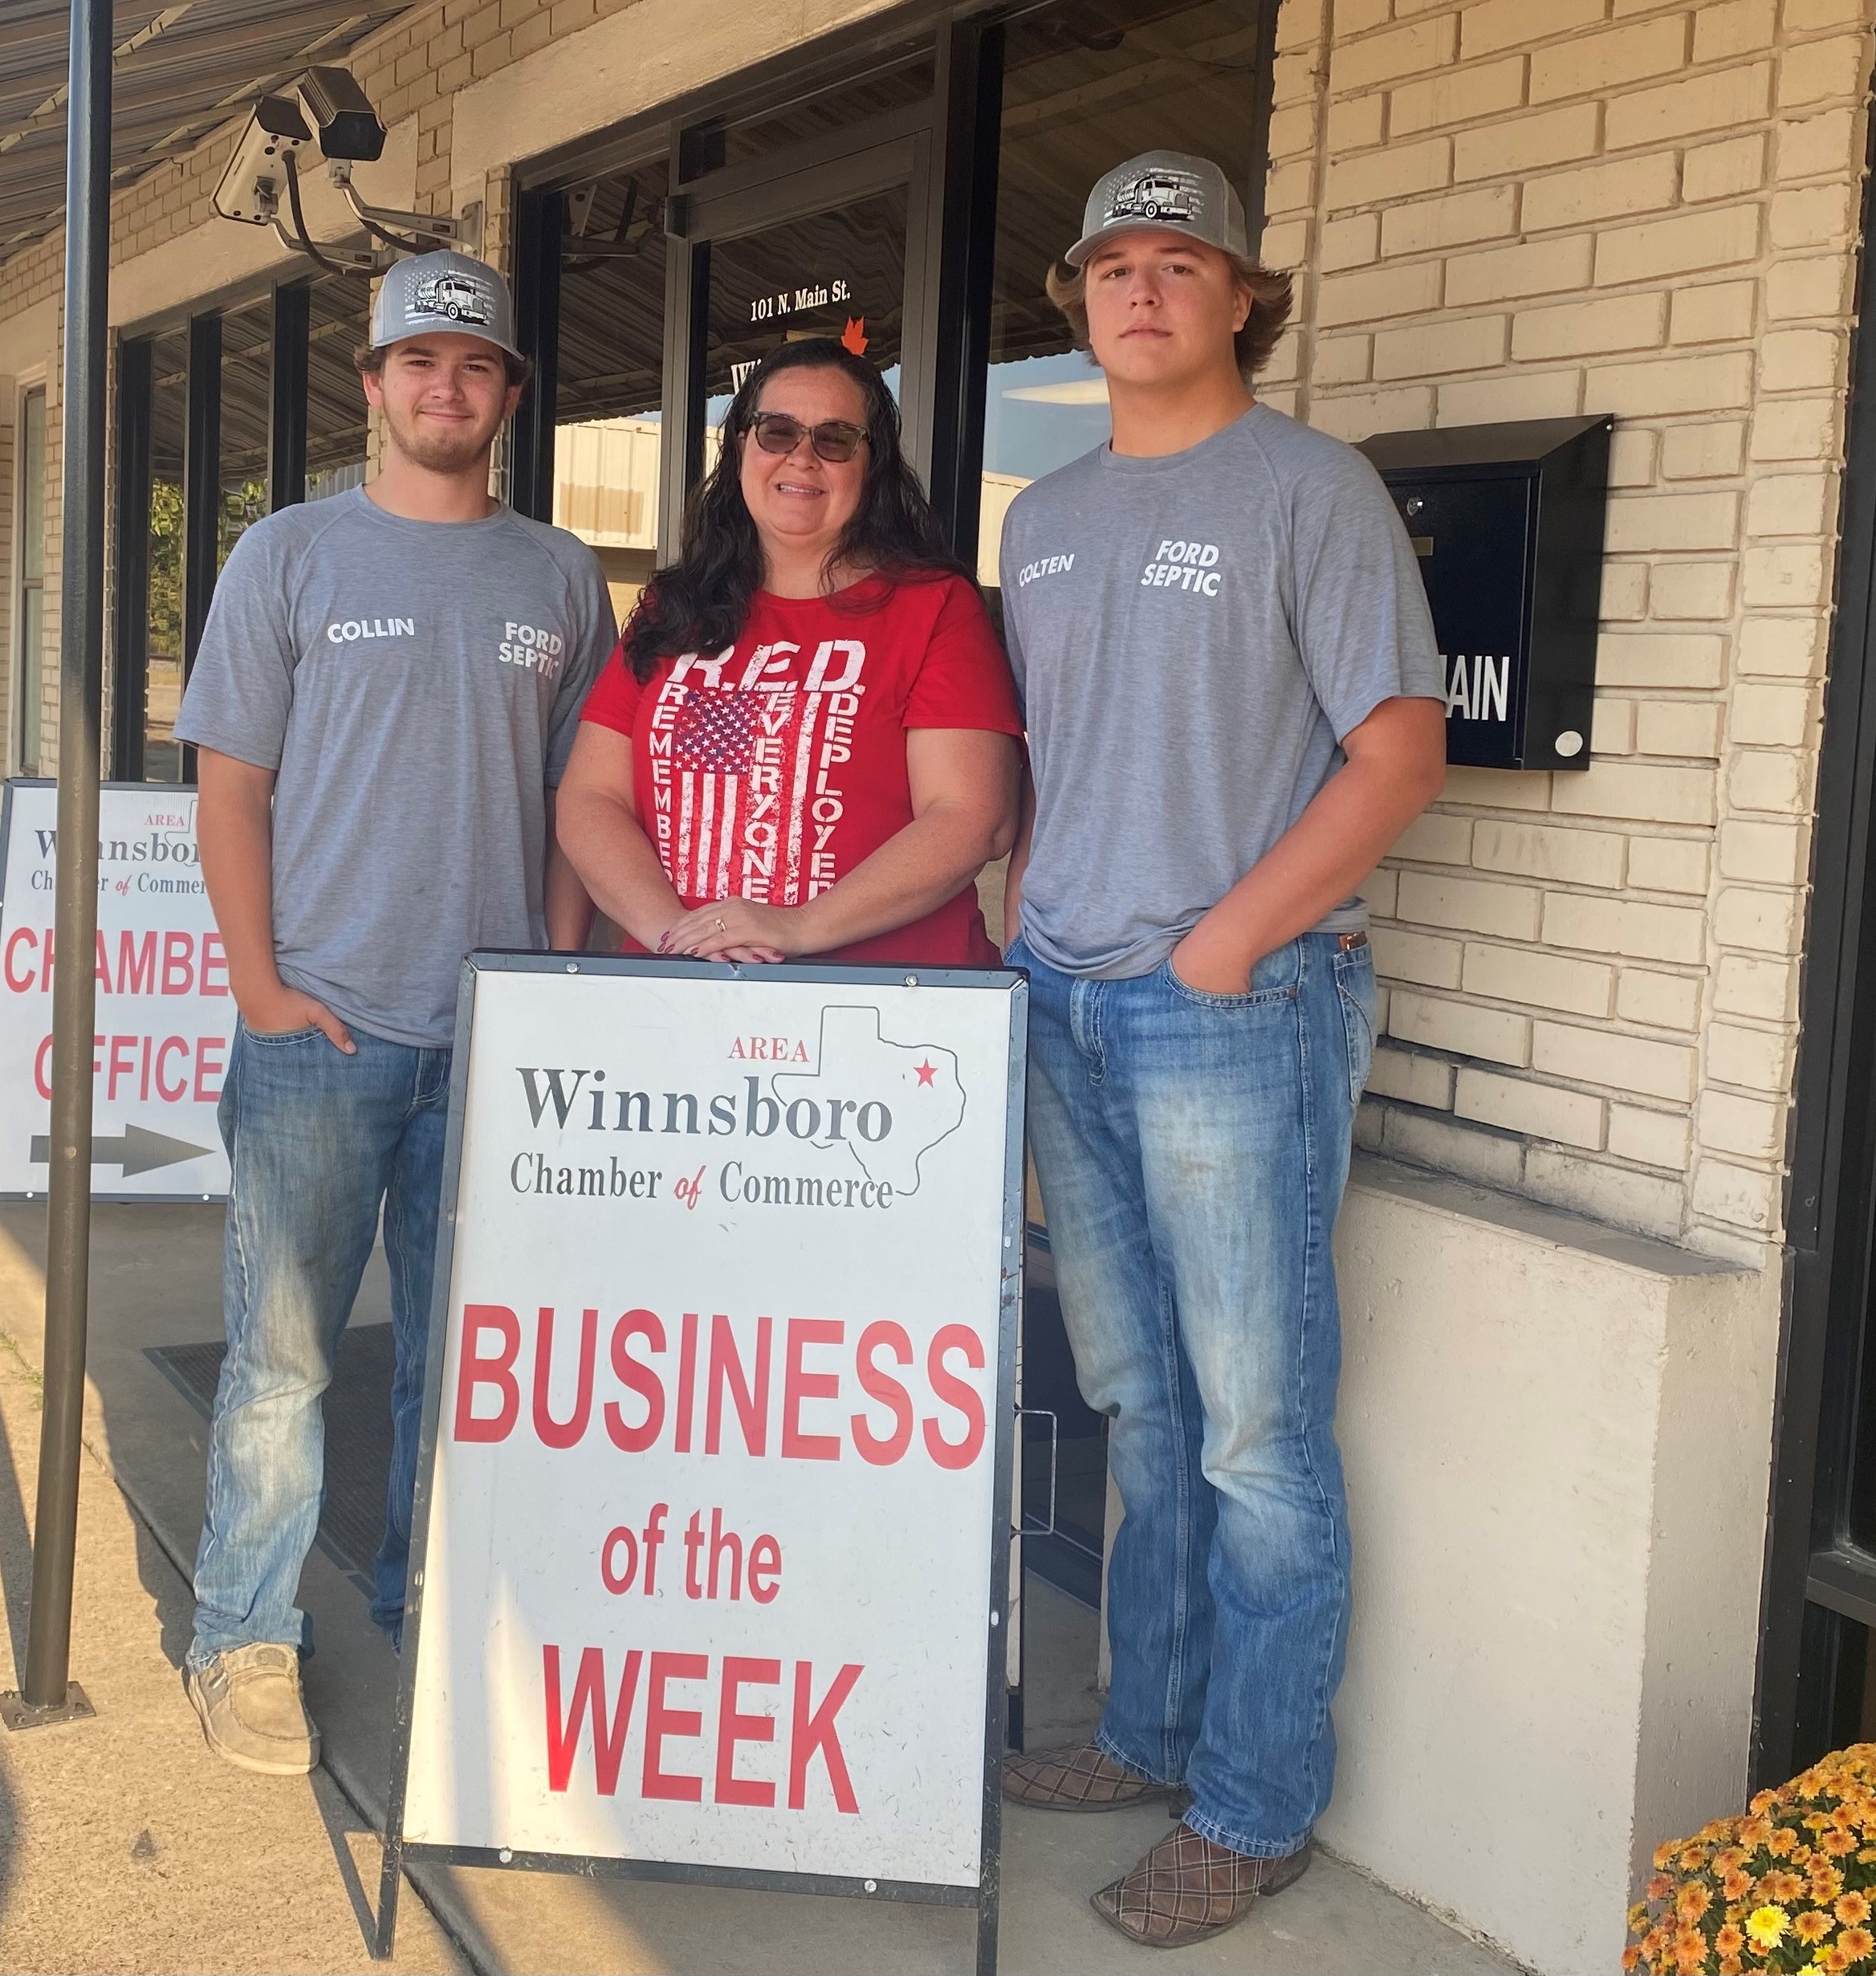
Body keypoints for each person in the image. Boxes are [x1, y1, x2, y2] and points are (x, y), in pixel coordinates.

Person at [997, 152, 1447, 1945]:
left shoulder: (1308, 492)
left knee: (1256, 1430)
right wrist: (1023, 909)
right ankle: (1145, 1731)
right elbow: (1049, 753)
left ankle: (1252, 1806)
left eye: (1179, 262)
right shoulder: (1040, 515)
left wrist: (1226, 940)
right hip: (1061, 993)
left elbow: (1397, 749)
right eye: (1112, 263)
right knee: (1137, 1399)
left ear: (1243, 297)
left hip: (1229, 1012)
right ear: (1078, 302)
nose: (1140, 289)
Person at [173, 250, 613, 1775]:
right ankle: (244, 1635)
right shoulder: (287, 556)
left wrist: (551, 984)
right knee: (282, 1360)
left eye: (475, 366)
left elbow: (582, 799)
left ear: (506, 393)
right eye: (418, 363)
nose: (447, 386)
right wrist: (263, 991)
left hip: (492, 1037)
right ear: (372, 385)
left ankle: (428, 1602)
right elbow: (231, 787)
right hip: (326, 1033)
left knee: (463, 1353)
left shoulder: (559, 575)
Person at [557, 338, 1020, 967]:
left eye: (834, 439)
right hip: (683, 999)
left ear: (872, 464)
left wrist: (798, 927)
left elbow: (972, 817)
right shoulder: (673, 609)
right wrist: (677, 935)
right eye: (777, 432)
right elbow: (592, 800)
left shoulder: (935, 608)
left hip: (885, 1011)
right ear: (742, 447)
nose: (801, 458)